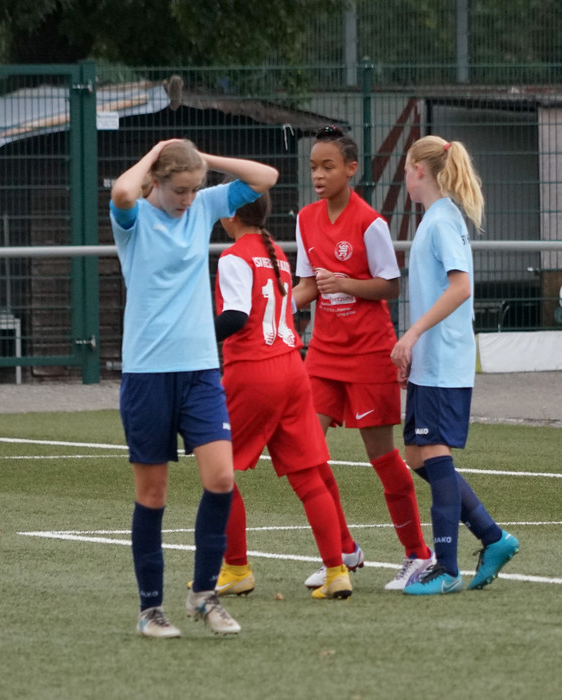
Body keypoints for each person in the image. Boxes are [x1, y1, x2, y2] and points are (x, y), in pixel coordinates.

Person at [110, 138, 278, 638]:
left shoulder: (204, 205)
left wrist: (206, 161)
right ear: (156, 183)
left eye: (193, 190)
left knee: (221, 479)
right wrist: (156, 150)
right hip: (147, 374)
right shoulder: (135, 218)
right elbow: (121, 191)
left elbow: (264, 177)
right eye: (179, 190)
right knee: (153, 495)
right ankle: (150, 610)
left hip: (202, 370)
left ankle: (204, 595)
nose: (188, 199)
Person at [293, 125, 434, 591]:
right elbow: (310, 285)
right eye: (313, 166)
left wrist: (346, 283)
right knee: (306, 453)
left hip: (369, 352)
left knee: (382, 457)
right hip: (324, 353)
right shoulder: (305, 218)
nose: (318, 174)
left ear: (351, 169)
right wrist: (276, 306)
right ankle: (343, 551)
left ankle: (417, 554)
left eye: (327, 166)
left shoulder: (370, 221)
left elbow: (389, 285)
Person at [392, 135, 519, 595]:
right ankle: (493, 537)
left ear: (419, 170)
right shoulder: (436, 220)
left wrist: (412, 333)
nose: (405, 176)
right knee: (417, 456)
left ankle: (445, 567)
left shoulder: (443, 221)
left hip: (444, 359)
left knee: (434, 453)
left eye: (406, 168)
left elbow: (460, 287)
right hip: (431, 361)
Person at [213, 192, 352, 600]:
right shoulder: (274, 250)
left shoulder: (233, 256)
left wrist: (196, 335)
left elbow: (237, 316)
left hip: (254, 371)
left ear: (229, 214)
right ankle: (336, 571)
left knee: (218, 470)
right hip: (292, 366)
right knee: (308, 477)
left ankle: (236, 568)